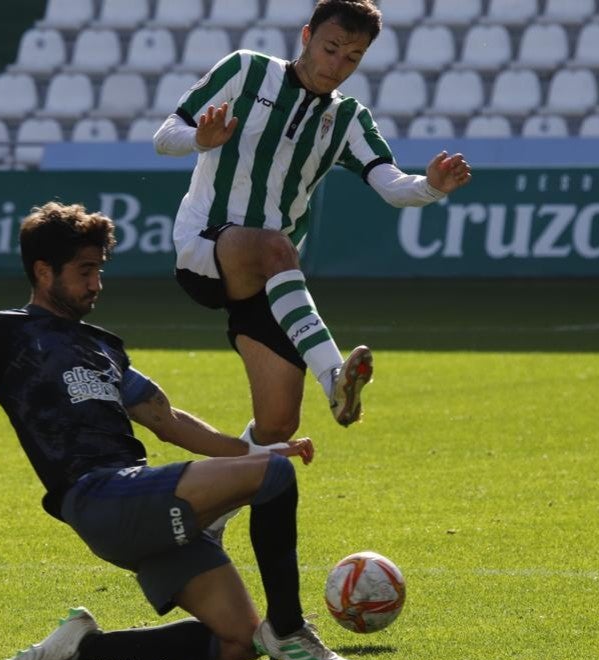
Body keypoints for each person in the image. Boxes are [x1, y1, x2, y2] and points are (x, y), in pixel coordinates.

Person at [0, 201, 353, 660]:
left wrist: (256, 449)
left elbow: (169, 420)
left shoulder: (103, 345)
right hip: (100, 496)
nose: (96, 284)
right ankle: (290, 631)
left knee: (237, 644)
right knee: (272, 478)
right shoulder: (5, 333)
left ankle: (85, 646)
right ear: (44, 272)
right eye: (85, 271)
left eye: (99, 270)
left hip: (138, 500)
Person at [155, 0, 473, 447]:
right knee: (276, 246)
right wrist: (198, 138)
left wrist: (432, 186)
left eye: (353, 57)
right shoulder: (246, 71)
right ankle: (334, 378)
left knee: (278, 426)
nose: (338, 64)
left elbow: (390, 184)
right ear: (307, 37)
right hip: (204, 249)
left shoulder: (347, 119)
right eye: (331, 48)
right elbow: (164, 137)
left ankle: (210, 516)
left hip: (269, 281)